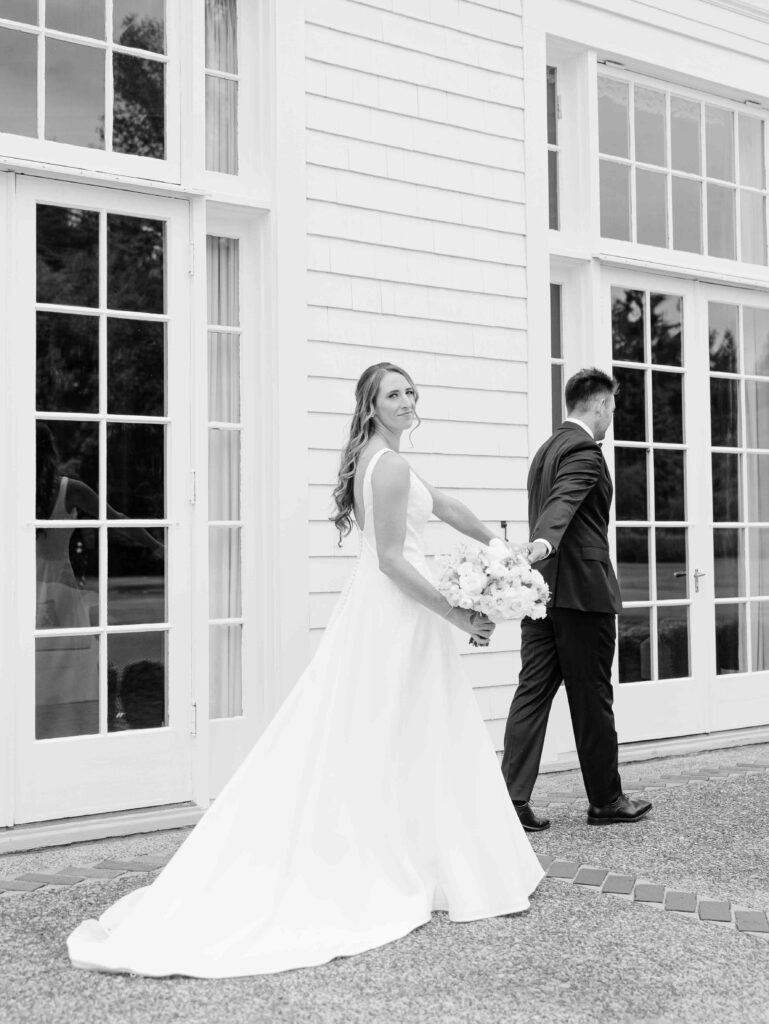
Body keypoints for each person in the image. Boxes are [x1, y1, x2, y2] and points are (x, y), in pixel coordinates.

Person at [67, 362, 544, 979]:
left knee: (401, 731)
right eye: (393, 394)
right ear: (371, 406)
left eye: (410, 391)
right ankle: (411, 860)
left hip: (386, 617)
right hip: (399, 614)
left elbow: (444, 506)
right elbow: (394, 564)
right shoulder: (390, 462)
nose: (406, 400)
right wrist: (459, 614)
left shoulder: (384, 455)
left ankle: (420, 855)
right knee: (409, 729)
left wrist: (499, 549)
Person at [501, 368, 652, 830]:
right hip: (581, 596)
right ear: (601, 404)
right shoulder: (585, 452)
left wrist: (536, 559)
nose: (612, 415)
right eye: (612, 407)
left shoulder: (545, 449)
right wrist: (543, 544)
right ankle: (606, 800)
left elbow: (554, 505)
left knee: (532, 692)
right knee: (592, 697)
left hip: (541, 594)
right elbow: (562, 505)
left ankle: (510, 800)